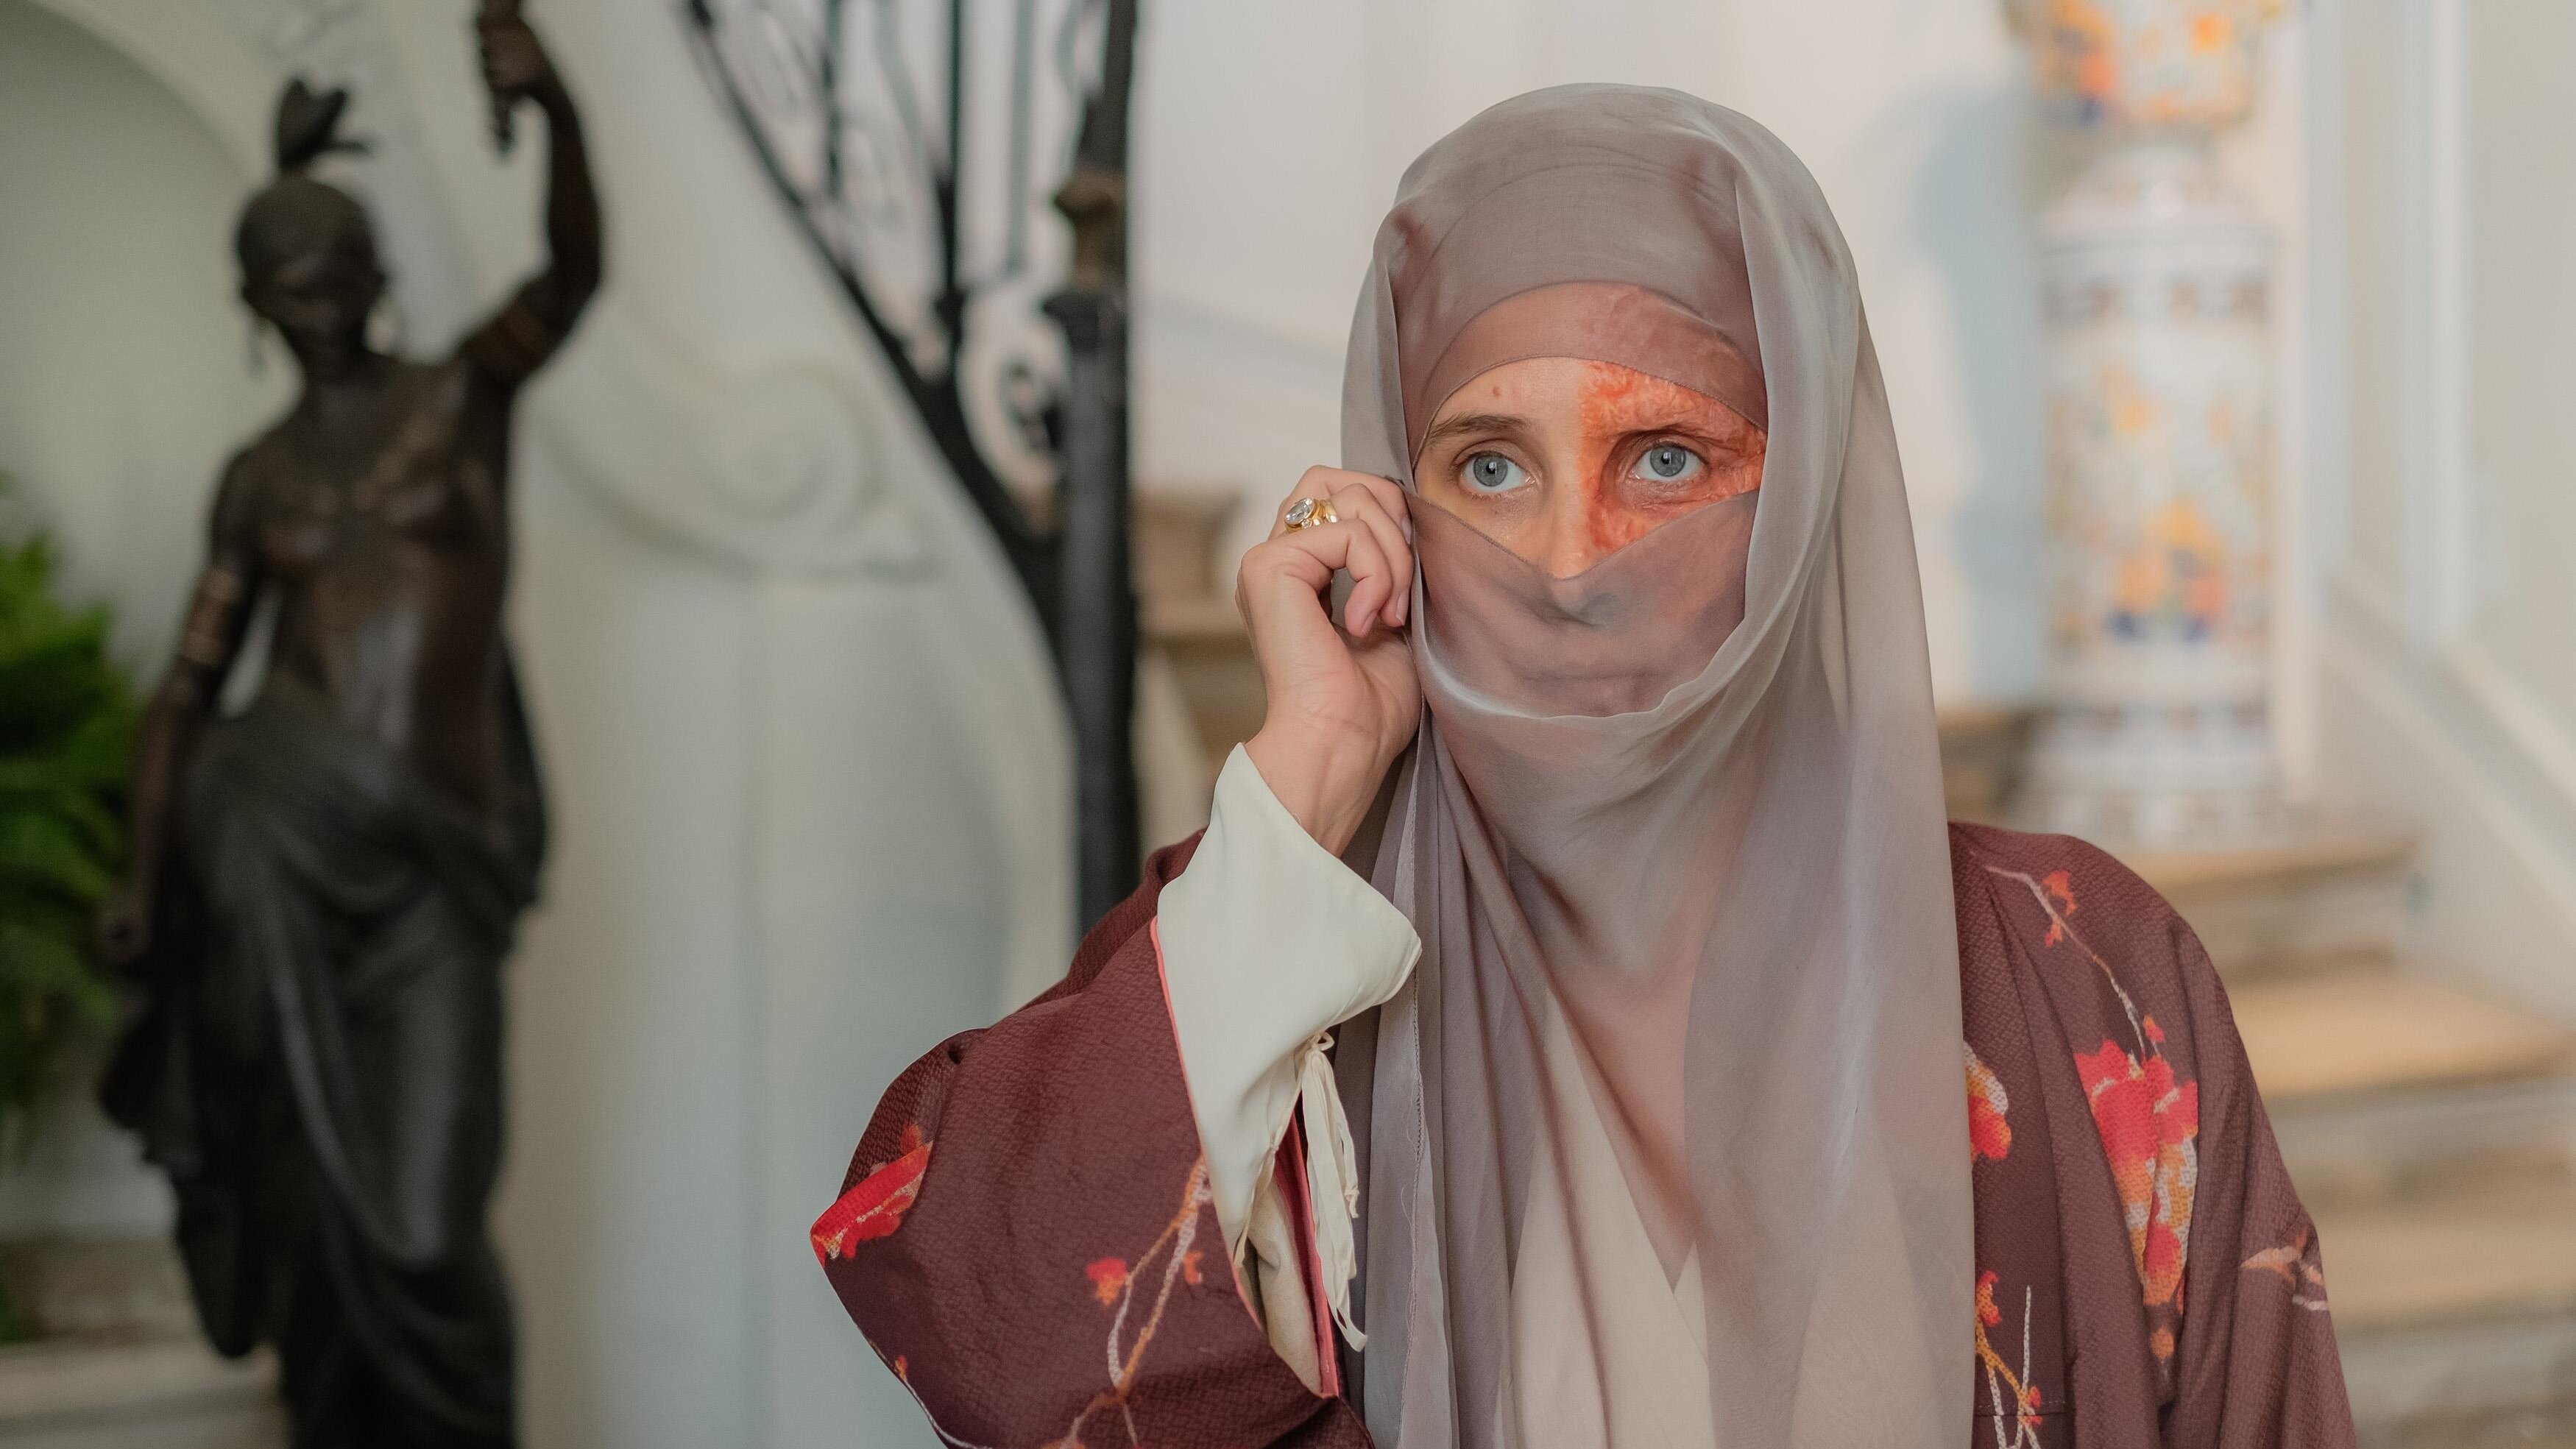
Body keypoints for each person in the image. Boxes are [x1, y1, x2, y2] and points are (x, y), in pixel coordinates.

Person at [813, 86, 2353, 1449]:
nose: (1567, 563)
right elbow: (989, 1316)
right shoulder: (1282, 953)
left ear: (1802, 499)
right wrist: (1311, 772)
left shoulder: (2085, 976)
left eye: (1665, 457)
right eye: (1488, 466)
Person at [95, 14, 598, 1448]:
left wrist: (558, 110)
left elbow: (572, 274)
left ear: (375, 278)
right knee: (312, 1219)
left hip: (429, 879)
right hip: (274, 855)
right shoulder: (256, 482)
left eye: (335, 275)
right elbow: (188, 691)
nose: (315, 304)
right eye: (285, 285)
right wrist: (141, 878)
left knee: (429, 1229)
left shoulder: (458, 405)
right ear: (252, 303)